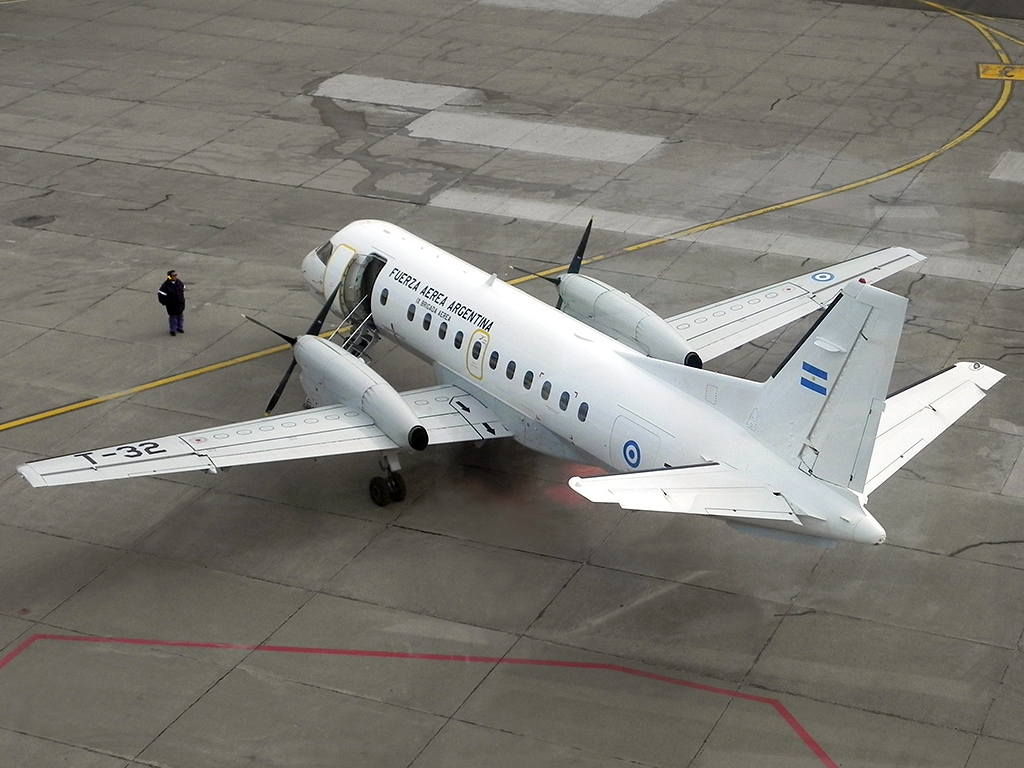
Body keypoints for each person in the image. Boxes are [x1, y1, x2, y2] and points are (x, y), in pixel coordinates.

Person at [158, 270, 185, 336]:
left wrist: (182, 300)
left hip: (180, 304)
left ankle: (180, 327)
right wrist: (164, 303)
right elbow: (161, 295)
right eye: (174, 275)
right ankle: (173, 330)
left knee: (180, 316)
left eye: (176, 275)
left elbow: (183, 289)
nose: (175, 276)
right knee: (173, 318)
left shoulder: (179, 282)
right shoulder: (165, 286)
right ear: (170, 277)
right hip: (171, 305)